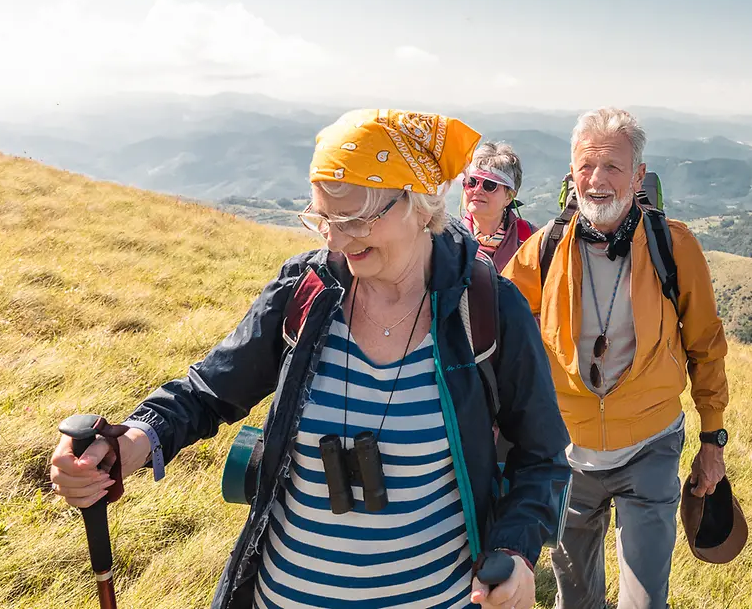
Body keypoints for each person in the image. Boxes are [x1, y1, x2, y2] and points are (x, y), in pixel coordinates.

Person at [49, 109, 570, 609]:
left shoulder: (485, 310)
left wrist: (516, 549)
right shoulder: (307, 290)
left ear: (420, 203)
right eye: (323, 218)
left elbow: (542, 456)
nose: (338, 240)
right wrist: (130, 443)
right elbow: (209, 391)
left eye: (356, 218)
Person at [504, 107, 730, 609]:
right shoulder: (543, 252)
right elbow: (503, 343)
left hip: (650, 447)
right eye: (586, 167)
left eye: (612, 167)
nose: (597, 180)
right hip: (567, 457)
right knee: (577, 603)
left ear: (638, 175)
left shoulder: (674, 247)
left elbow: (705, 346)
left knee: (645, 603)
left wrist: (712, 438)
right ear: (570, 174)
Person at [462, 141, 537, 272]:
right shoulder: (449, 238)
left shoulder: (531, 240)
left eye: (490, 185)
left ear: (509, 196)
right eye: (471, 182)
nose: (477, 190)